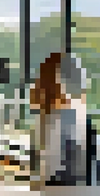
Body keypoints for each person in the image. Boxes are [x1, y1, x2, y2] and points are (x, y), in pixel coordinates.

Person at [30, 52, 90, 188]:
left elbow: (56, 166)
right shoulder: (52, 114)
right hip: (60, 187)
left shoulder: (66, 114)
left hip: (63, 189)